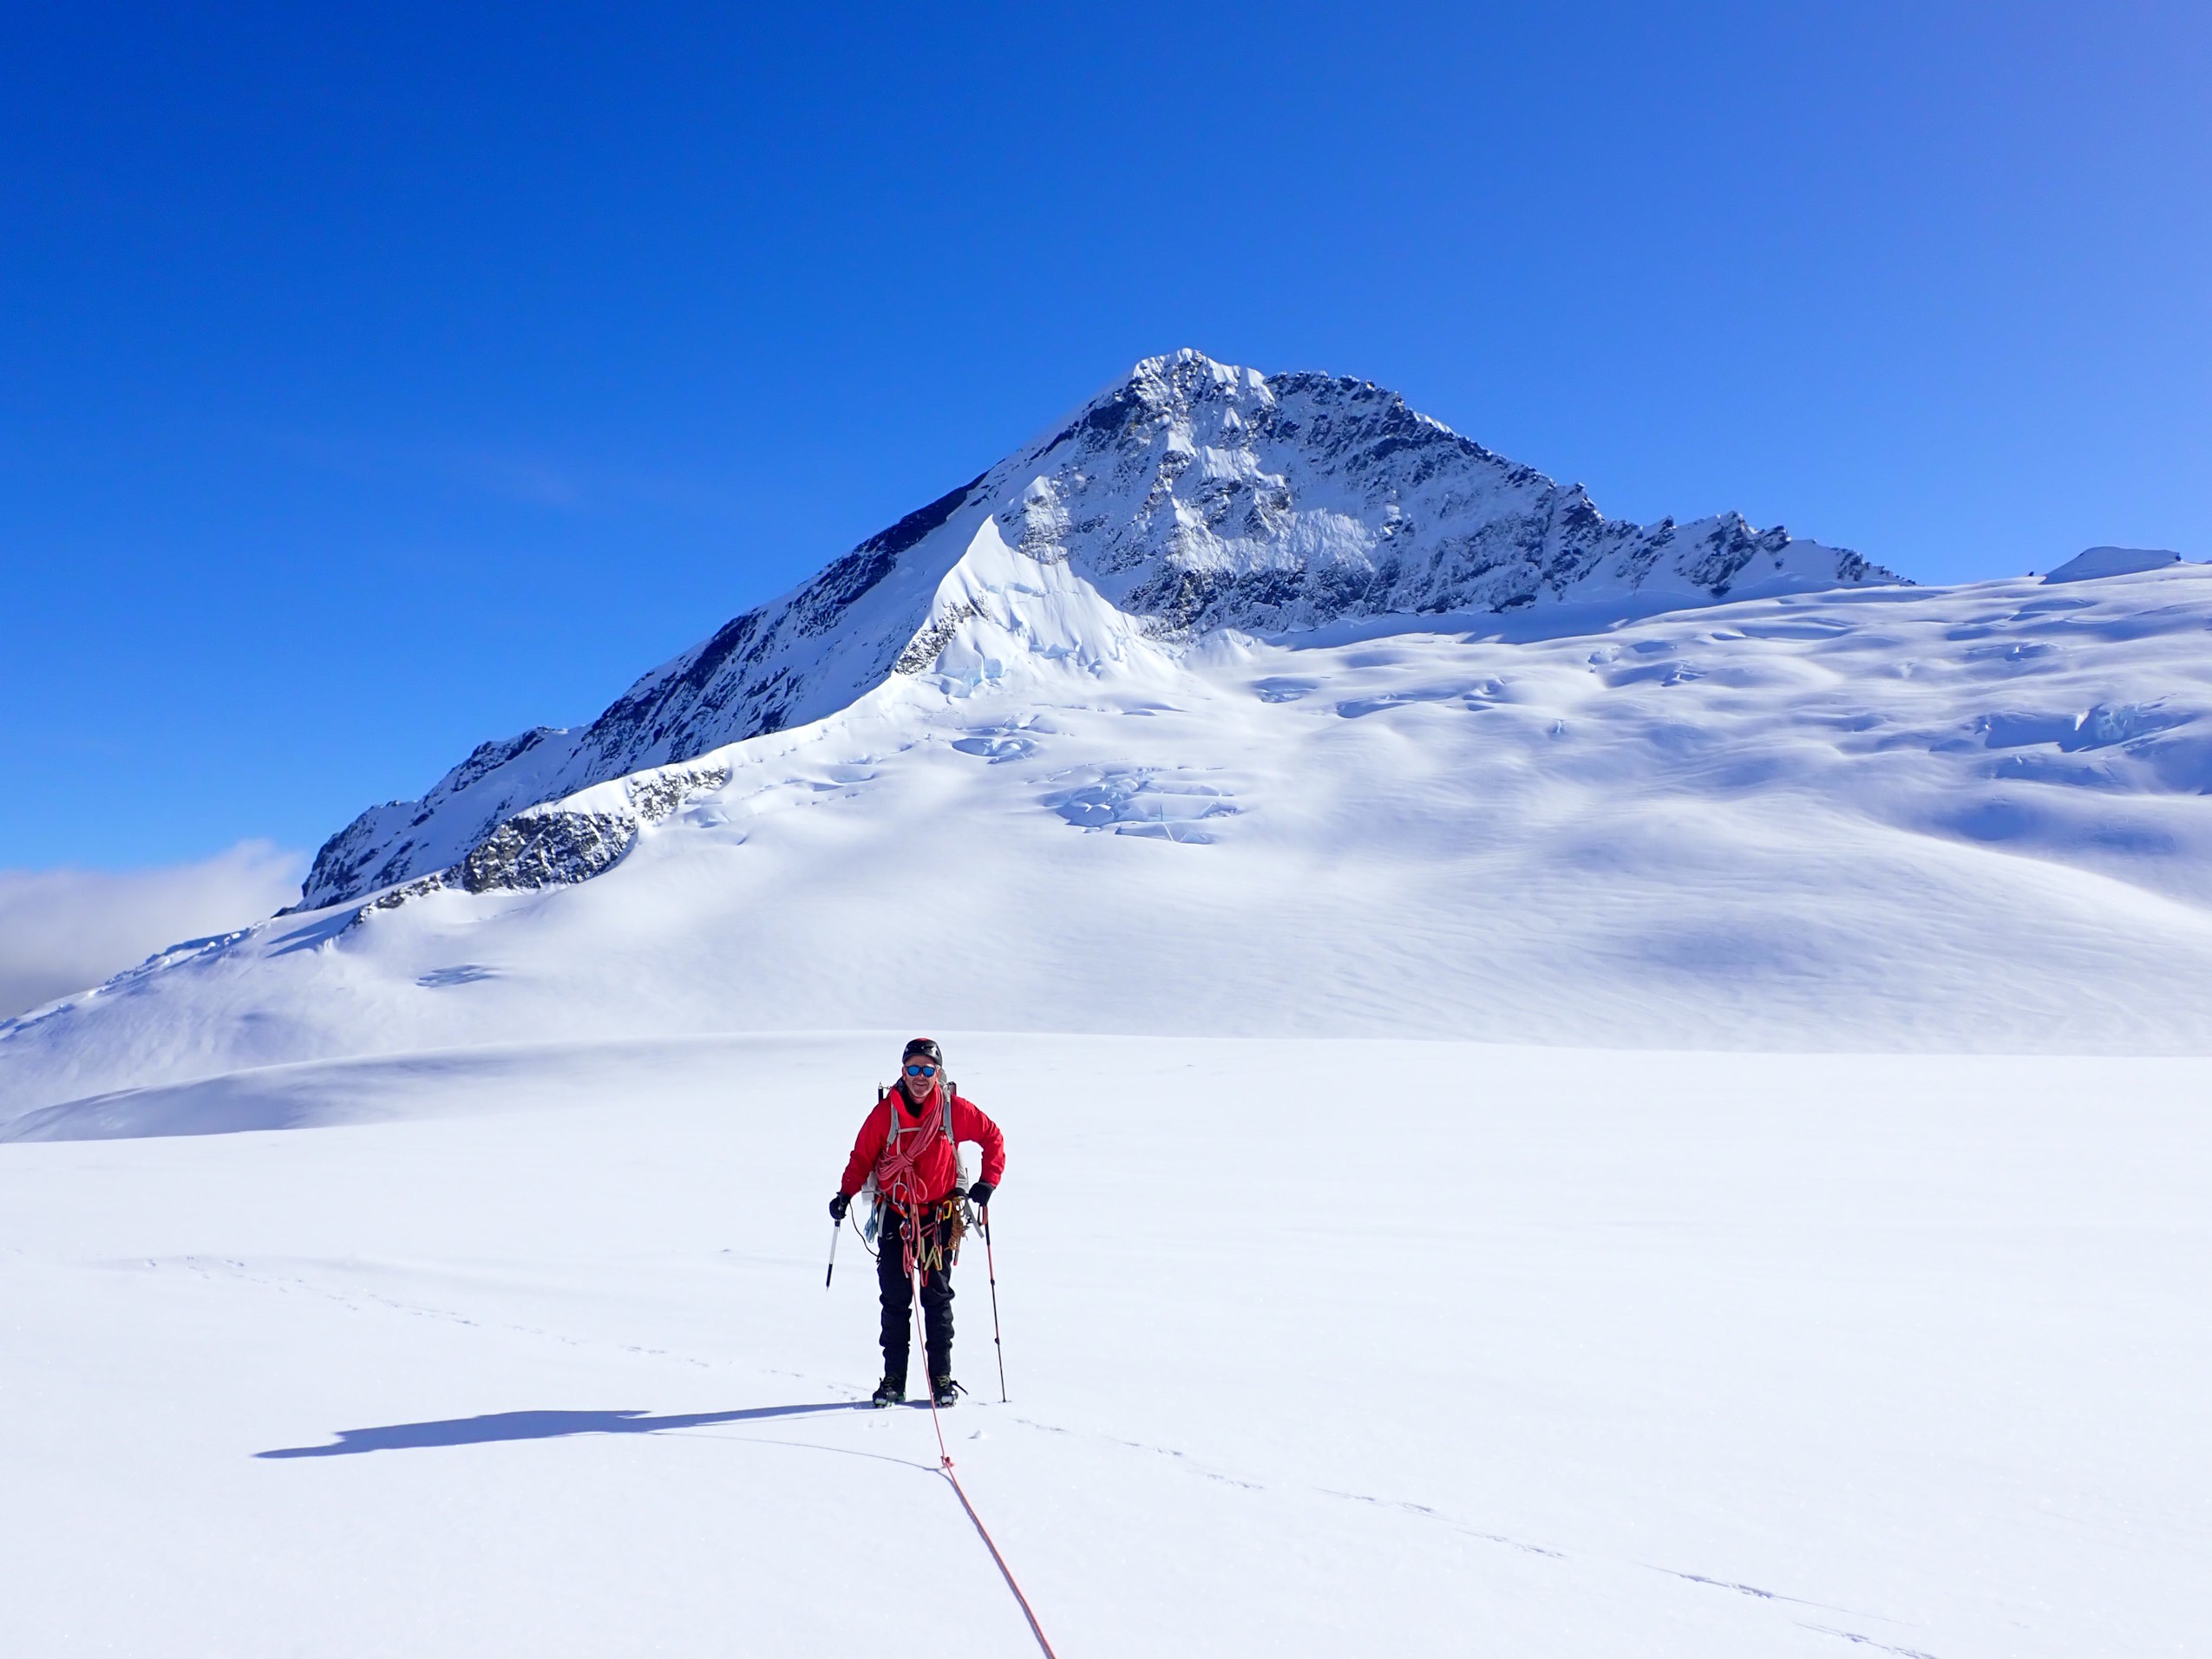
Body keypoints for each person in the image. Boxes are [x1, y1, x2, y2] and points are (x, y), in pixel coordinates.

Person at [829, 1038, 1005, 1408]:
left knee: (937, 1299)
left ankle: (941, 1379)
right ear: (903, 1072)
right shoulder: (886, 1113)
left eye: (928, 1069)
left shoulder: (954, 1110)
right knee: (895, 1300)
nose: (921, 1077)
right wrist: (845, 1194)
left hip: (939, 1217)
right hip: (896, 1214)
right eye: (914, 1069)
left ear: (938, 1073)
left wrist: (989, 1181)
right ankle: (893, 1380)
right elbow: (862, 1157)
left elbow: (992, 1138)